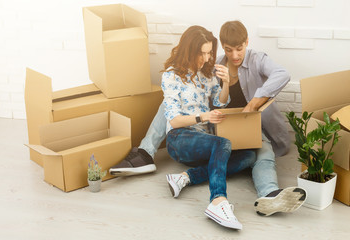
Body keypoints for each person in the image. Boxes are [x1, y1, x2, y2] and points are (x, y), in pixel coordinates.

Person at [110, 21, 306, 217]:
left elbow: (282, 74)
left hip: (248, 127)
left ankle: (269, 195)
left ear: (247, 42)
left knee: (260, 153)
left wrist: (253, 103)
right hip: (218, 127)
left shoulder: (256, 60)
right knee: (169, 103)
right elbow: (209, 103)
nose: (235, 55)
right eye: (229, 50)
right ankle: (146, 153)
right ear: (221, 46)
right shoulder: (212, 65)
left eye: (240, 49)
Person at [162, 25, 257, 229]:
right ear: (189, 50)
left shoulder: (206, 73)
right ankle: (218, 201)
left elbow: (221, 102)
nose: (206, 59)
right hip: (179, 138)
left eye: (208, 53)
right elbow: (174, 120)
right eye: (201, 53)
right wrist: (203, 116)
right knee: (222, 144)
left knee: (249, 156)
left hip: (204, 140)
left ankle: (185, 177)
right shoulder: (171, 76)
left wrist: (225, 83)